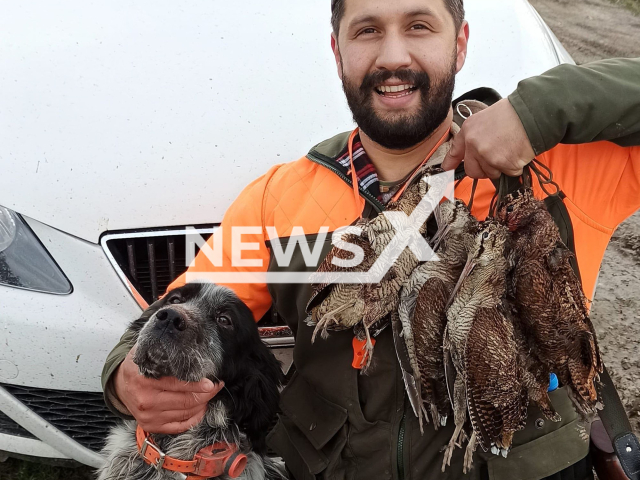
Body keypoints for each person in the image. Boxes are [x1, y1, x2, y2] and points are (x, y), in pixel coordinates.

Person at [101, 0, 640, 478]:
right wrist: (125, 376)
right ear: (338, 52)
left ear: (461, 43)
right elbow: (184, 305)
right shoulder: (278, 201)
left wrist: (540, 110)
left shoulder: (555, 171)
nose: (393, 56)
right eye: (367, 31)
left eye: (420, 25)